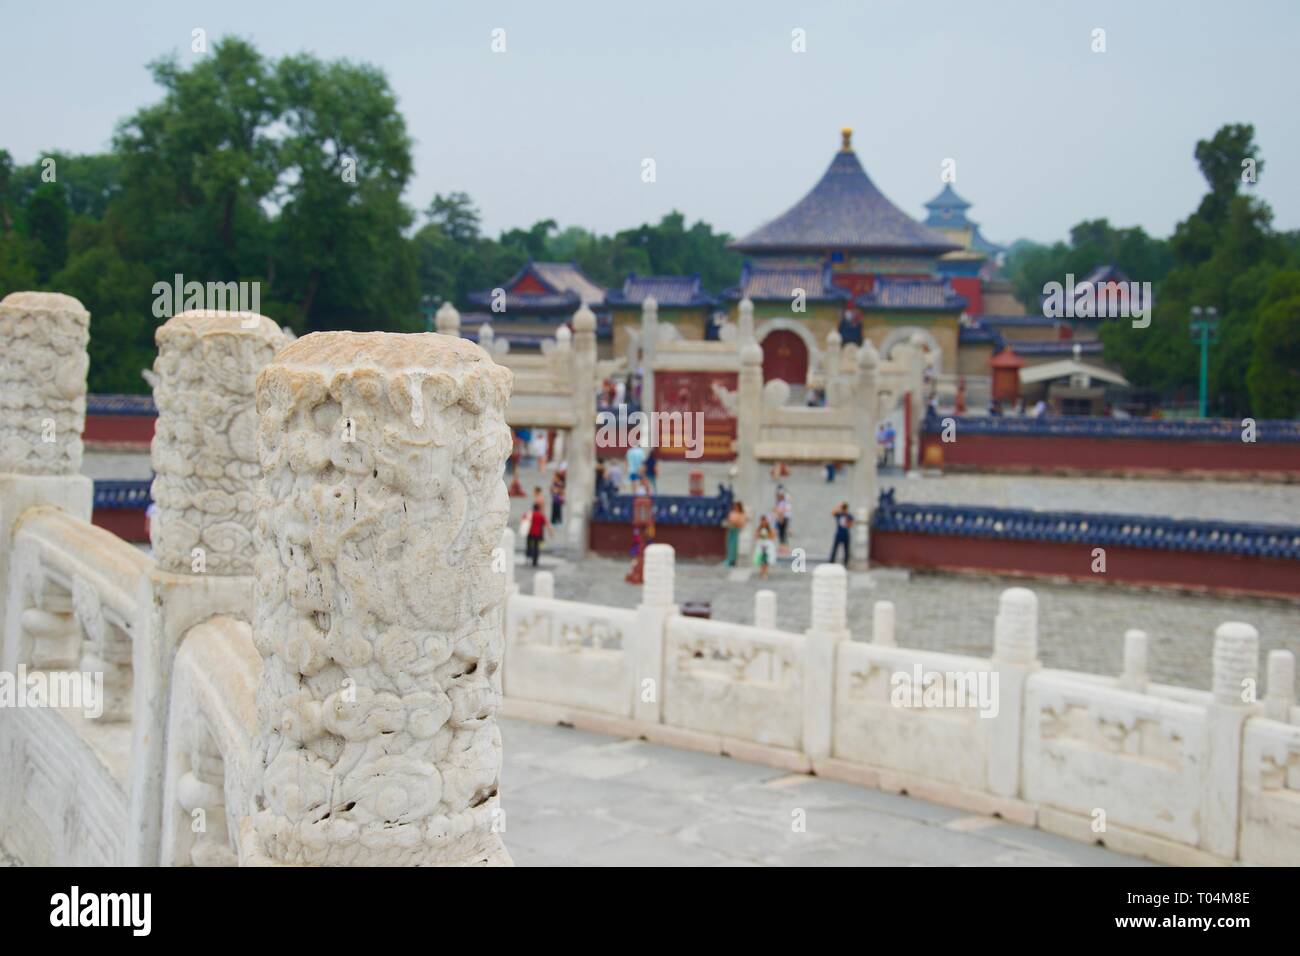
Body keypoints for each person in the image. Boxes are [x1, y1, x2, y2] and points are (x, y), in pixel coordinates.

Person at [829, 502, 853, 566]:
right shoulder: (839, 514)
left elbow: (850, 525)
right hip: (839, 534)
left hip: (845, 534)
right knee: (835, 548)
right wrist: (839, 507)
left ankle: (846, 562)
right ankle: (831, 560)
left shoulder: (849, 516)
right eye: (843, 508)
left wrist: (847, 522)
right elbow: (833, 513)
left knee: (846, 549)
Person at [724, 501, 747, 567]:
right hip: (731, 529)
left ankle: (733, 560)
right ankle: (729, 559)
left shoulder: (741, 514)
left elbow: (742, 523)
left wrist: (736, 523)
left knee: (734, 546)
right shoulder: (732, 513)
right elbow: (729, 520)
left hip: (736, 530)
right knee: (729, 545)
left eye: (736, 506)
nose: (735, 507)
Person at [525, 502, 549, 567]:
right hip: (538, 534)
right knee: (536, 547)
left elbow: (524, 520)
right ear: (538, 508)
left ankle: (528, 558)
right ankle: (535, 562)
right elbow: (546, 523)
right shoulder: (541, 515)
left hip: (529, 533)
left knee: (529, 546)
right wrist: (551, 532)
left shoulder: (530, 514)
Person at [753, 515, 775, 579]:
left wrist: (766, 536)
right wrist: (760, 535)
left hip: (767, 546)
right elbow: (755, 536)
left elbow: (773, 536)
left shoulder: (770, 529)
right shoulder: (759, 529)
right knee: (761, 560)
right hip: (760, 545)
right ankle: (762, 572)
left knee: (766, 560)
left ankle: (765, 572)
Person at [773, 488, 792, 552]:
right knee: (781, 533)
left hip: (783, 518)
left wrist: (781, 517)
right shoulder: (780, 502)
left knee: (783, 533)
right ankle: (782, 547)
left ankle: (784, 548)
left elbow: (782, 511)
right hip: (781, 518)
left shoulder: (784, 502)